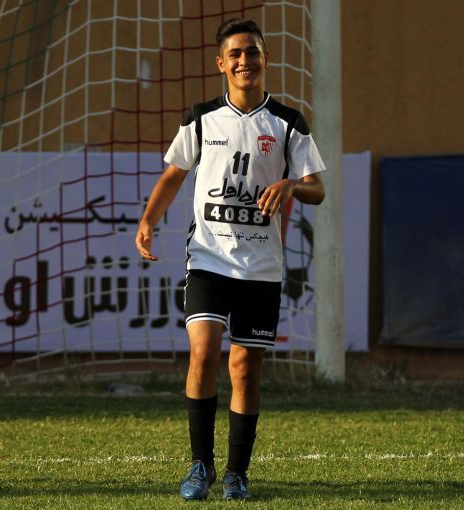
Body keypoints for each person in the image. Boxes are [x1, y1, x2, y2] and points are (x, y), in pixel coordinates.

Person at [135, 18, 326, 501]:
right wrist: (148, 220)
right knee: (202, 353)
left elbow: (317, 190)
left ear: (266, 59)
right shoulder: (201, 118)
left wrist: (291, 185)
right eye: (236, 54)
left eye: (253, 52)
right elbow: (173, 175)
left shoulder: (287, 122)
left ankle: (237, 473)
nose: (245, 60)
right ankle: (200, 466)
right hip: (209, 258)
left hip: (261, 267)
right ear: (221, 63)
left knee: (244, 367)